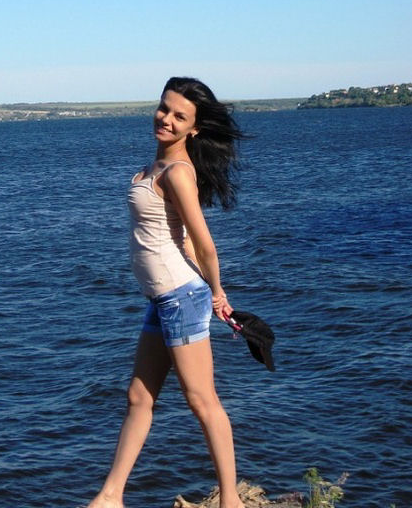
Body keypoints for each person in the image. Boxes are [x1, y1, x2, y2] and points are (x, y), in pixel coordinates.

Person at [87, 76, 247, 508]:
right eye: (165, 108)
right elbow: (184, 242)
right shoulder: (152, 168)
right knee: (139, 397)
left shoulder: (177, 173)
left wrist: (218, 294)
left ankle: (230, 500)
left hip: (182, 297)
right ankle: (110, 496)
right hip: (164, 299)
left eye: (180, 116)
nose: (167, 119)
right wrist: (212, 291)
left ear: (194, 129)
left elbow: (205, 243)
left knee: (202, 400)